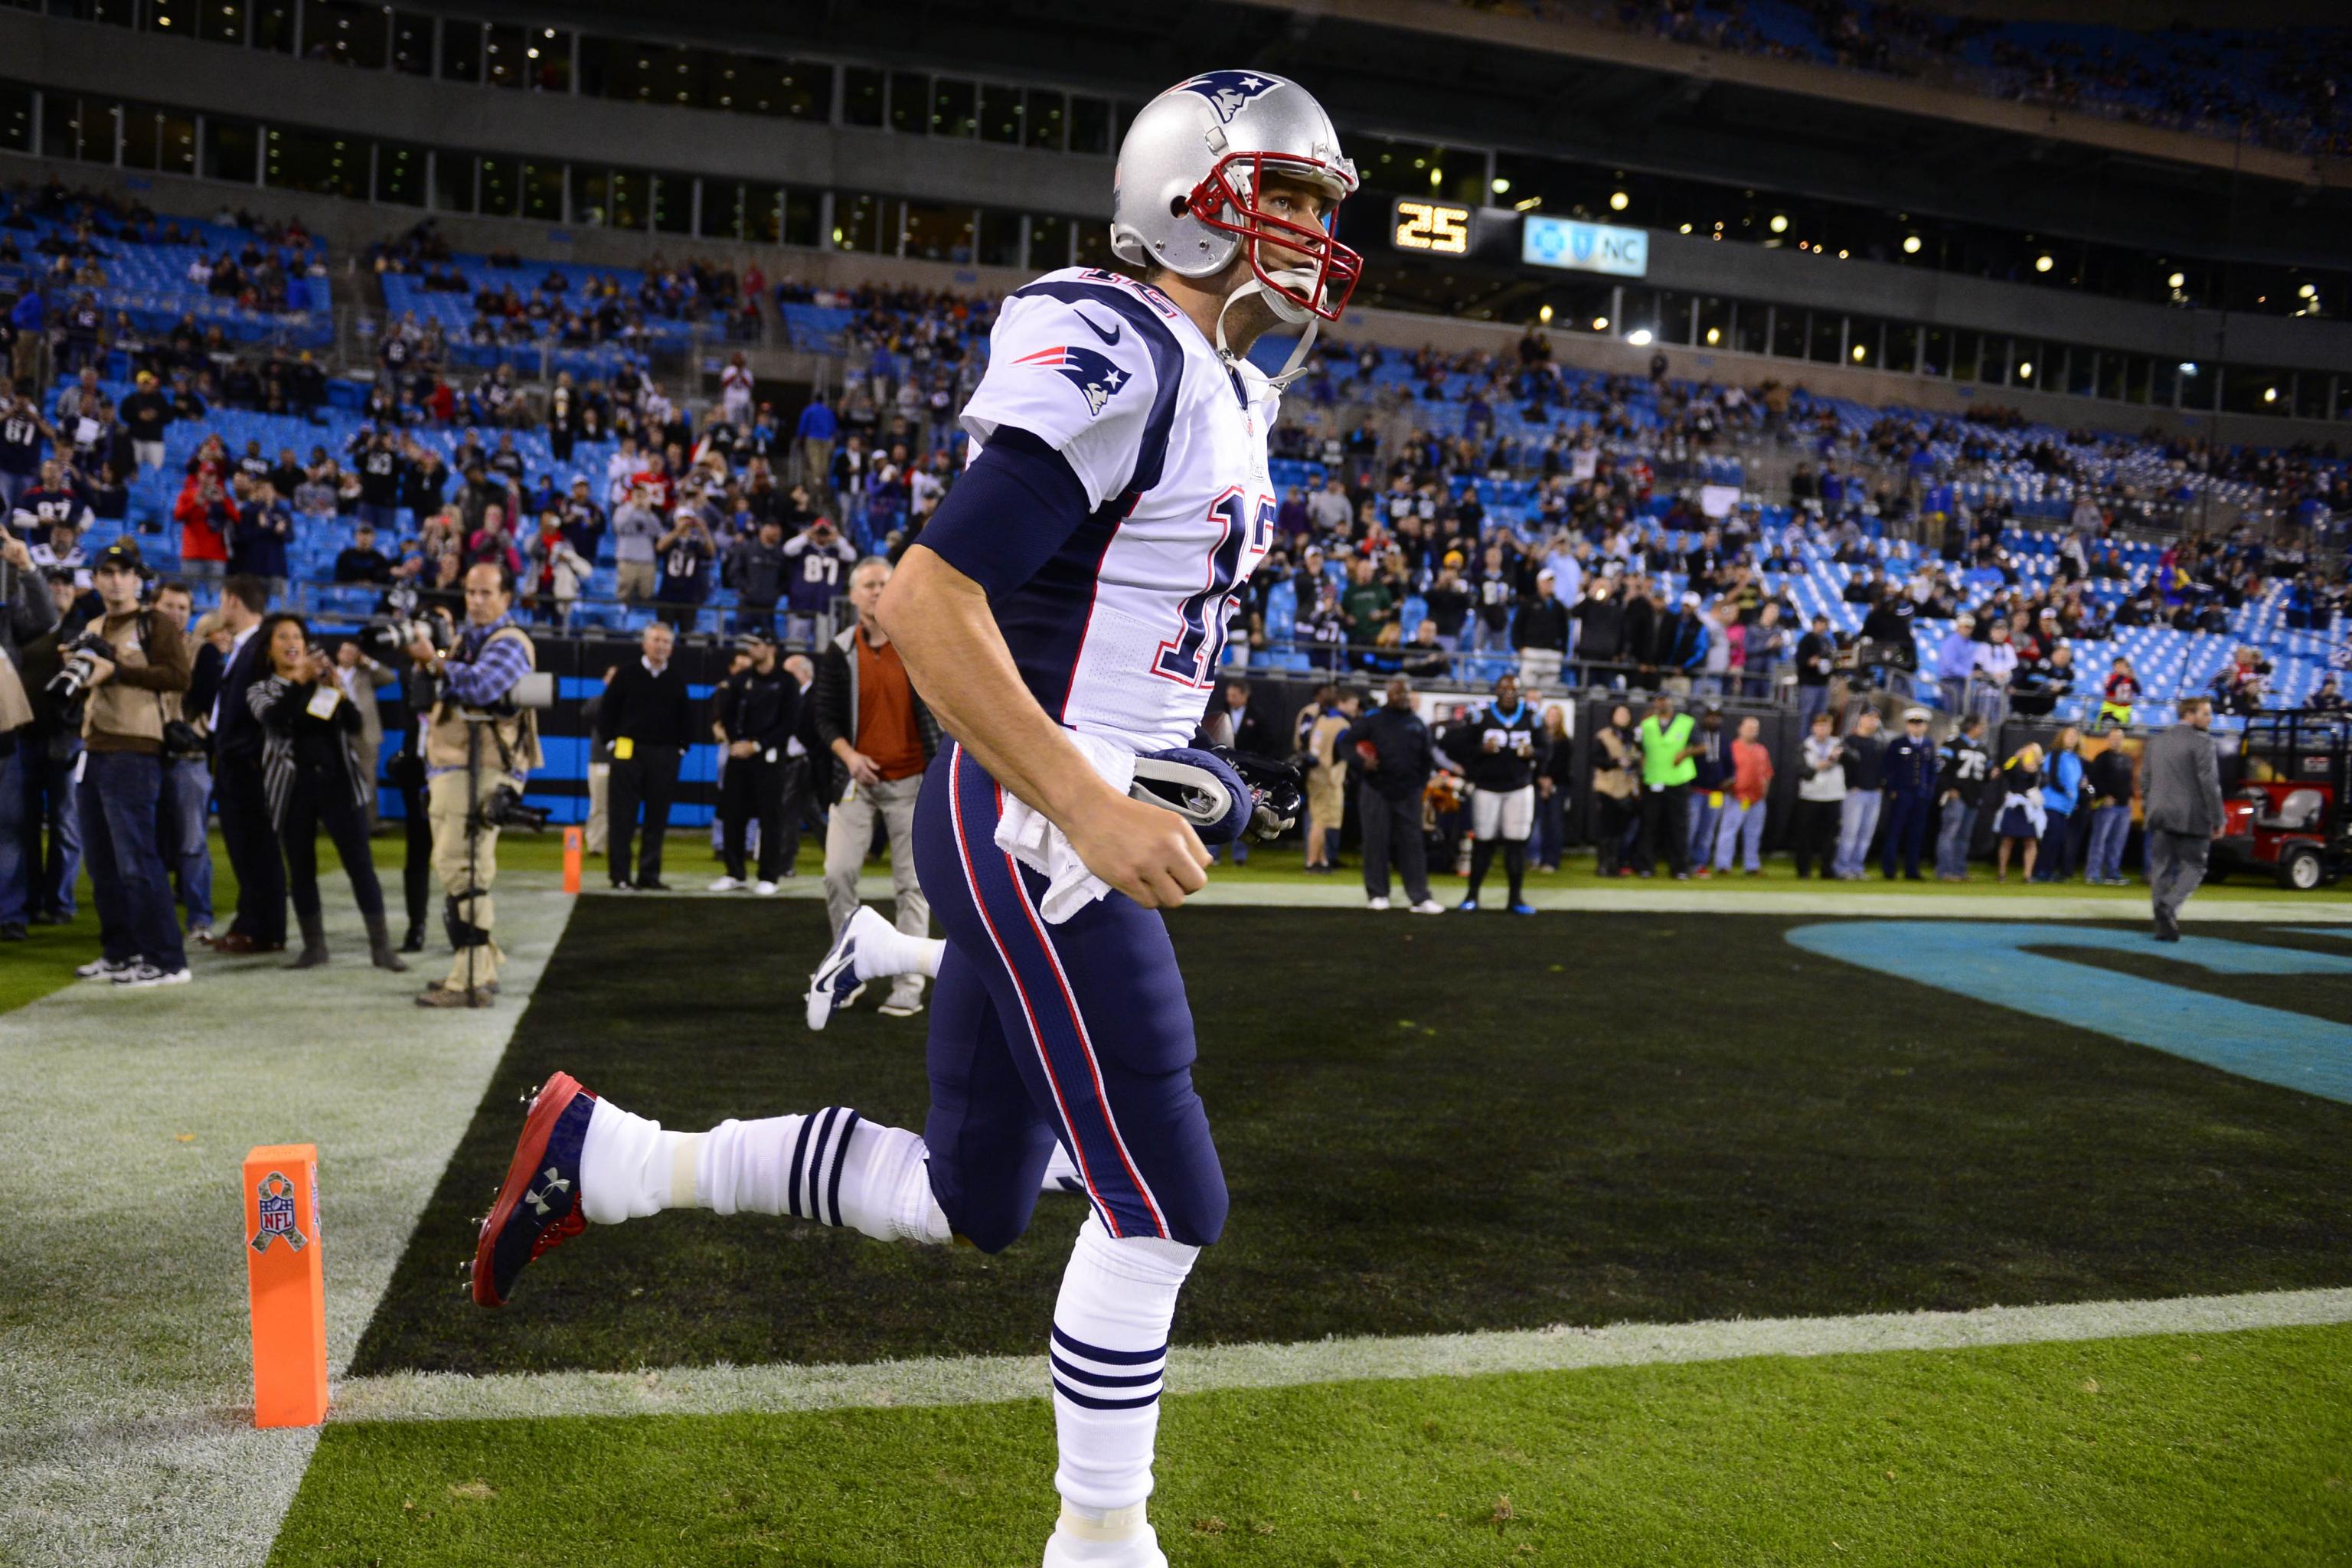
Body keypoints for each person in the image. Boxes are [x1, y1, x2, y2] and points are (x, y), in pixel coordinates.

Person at [469, 75, 1357, 1568]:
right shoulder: (1126, 344)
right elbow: (934, 602)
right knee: (1162, 1212)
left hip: (1031, 818)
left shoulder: (1224, 378)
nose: (1320, 233)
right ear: (1190, 200)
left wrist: (1158, 764)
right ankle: (1101, 1544)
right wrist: (1091, 794)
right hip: (1035, 830)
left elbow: (1099, 621)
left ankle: (610, 1157)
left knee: (974, 1202)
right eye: (1295, 198)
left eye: (1328, 205)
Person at [404, 560, 542, 1007]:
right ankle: (481, 963)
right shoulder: (467, 641)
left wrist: (437, 665)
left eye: (486, 593)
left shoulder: (508, 643)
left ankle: (468, 980)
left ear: (506, 599)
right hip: (456, 767)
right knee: (461, 869)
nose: (476, 601)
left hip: (477, 770)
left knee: (464, 870)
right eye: (470, 592)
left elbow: (482, 688)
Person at [814, 554, 938, 1017]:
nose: (876, 591)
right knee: (837, 873)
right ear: (852, 595)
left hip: (912, 783)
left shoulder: (919, 644)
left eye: (883, 582)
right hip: (855, 783)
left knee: (912, 886)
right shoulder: (840, 650)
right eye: (867, 584)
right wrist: (849, 755)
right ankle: (848, 971)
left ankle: (908, 985)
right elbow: (823, 718)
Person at [247, 612, 405, 971]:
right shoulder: (262, 689)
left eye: (297, 636)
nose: (292, 643)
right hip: (292, 788)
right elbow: (278, 721)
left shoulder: (323, 685)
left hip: (338, 785)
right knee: (301, 869)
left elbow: (354, 724)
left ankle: (382, 949)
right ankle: (314, 948)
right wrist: (298, 685)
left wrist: (338, 691)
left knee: (360, 866)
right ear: (270, 649)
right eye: (283, 637)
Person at [72, 541, 194, 988]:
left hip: (136, 750)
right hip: (95, 748)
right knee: (102, 862)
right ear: (97, 578)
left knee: (136, 858)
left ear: (138, 578)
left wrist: (118, 669)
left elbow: (179, 676)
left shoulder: (154, 622)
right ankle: (120, 951)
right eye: (107, 572)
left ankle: (167, 958)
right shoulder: (93, 623)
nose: (116, 580)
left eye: (124, 572)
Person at [208, 576, 286, 954]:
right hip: (235, 761)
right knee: (244, 847)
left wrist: (250, 754)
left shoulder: (258, 648)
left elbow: (265, 708)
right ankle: (249, 921)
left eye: (222, 600)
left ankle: (264, 929)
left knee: (255, 847)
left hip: (246, 766)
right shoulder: (246, 647)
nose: (220, 608)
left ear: (234, 601)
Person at [598, 620, 694, 892]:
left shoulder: (676, 679)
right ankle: (620, 876)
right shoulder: (626, 674)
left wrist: (680, 749)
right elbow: (607, 713)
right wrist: (611, 744)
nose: (661, 646)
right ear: (644, 644)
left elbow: (687, 719)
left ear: (672, 648)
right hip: (628, 752)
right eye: (656, 640)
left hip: (664, 755)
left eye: (666, 642)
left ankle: (649, 875)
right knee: (622, 817)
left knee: (657, 818)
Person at [709, 629, 802, 894]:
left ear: (771, 648)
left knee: (770, 818)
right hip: (739, 757)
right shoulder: (740, 680)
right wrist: (736, 742)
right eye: (750, 644)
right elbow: (725, 714)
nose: (752, 649)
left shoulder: (786, 682)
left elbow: (789, 722)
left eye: (757, 644)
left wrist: (758, 745)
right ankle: (734, 873)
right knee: (733, 815)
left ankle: (769, 876)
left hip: (770, 759)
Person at [1442, 672, 1544, 913]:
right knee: (1483, 843)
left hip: (1519, 788)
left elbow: (1546, 749)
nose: (1509, 695)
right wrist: (1481, 750)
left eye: (1513, 691)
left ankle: (1515, 899)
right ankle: (1472, 896)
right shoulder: (1481, 715)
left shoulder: (1531, 716)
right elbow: (1454, 745)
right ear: (1496, 692)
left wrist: (1533, 754)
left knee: (1516, 844)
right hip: (1487, 787)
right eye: (1504, 690)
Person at [0, 515, 57, 941]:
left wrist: (26, 568)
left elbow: (46, 621)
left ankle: (9, 914)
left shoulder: (6, 592)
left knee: (9, 824)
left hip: (4, 727)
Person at [1344, 675, 1443, 912]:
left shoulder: (1418, 723)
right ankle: (1377, 894)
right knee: (1376, 842)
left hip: (1408, 792)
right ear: (1389, 694)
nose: (1404, 697)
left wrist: (1419, 785)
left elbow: (1427, 758)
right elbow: (1346, 744)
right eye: (1399, 693)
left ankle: (1420, 897)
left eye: (1407, 693)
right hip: (1376, 790)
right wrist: (1360, 762)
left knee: (1413, 844)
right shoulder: (1372, 720)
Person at [151, 583, 214, 943]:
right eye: (169, 606)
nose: (176, 613)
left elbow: (204, 698)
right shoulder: (139, 649)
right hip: (145, 754)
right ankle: (155, 921)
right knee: (149, 843)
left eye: (183, 608)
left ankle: (199, 920)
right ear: (154, 606)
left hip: (189, 756)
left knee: (192, 843)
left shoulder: (201, 650)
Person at [2142, 697, 2223, 940]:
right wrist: (2218, 818)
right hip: (2192, 815)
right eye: (2206, 714)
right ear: (2189, 714)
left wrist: (2152, 807)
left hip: (2159, 813)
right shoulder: (2203, 743)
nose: (2210, 719)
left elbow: (2145, 782)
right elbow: (2210, 784)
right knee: (2195, 867)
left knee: (2161, 869)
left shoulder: (2156, 742)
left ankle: (2162, 925)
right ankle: (2170, 906)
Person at [1635, 691, 1697, 879]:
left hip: (1678, 780)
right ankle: (1646, 866)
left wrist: (1684, 753)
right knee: (1649, 826)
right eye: (1658, 700)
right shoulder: (1646, 725)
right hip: (1653, 780)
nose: (1662, 703)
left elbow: (1701, 745)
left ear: (1671, 702)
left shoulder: (1686, 722)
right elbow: (1640, 751)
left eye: (1665, 700)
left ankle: (1680, 868)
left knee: (1678, 826)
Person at [1302, 685, 1359, 874]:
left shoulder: (1322, 718)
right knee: (1322, 821)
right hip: (1329, 776)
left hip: (1316, 772)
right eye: (1352, 704)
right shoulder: (1341, 725)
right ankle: (1313, 861)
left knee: (1319, 818)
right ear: (1341, 703)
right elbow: (1345, 751)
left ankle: (1321, 860)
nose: (1354, 709)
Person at [1879, 707, 1939, 881]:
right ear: (1907, 725)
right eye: (1913, 723)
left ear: (1925, 726)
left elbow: (1932, 770)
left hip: (1921, 794)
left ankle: (1912, 869)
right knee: (1895, 831)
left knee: (1916, 833)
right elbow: (1889, 769)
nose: (1916, 727)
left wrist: (1928, 790)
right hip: (1902, 793)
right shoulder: (1898, 743)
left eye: (1919, 724)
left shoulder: (1928, 744)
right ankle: (1889, 869)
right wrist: (1892, 790)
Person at [1932, 714, 1991, 881]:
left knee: (1964, 836)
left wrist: (1991, 774)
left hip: (1973, 796)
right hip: (1957, 795)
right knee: (1949, 834)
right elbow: (1940, 769)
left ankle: (1959, 870)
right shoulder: (1952, 744)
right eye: (1981, 725)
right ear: (1971, 726)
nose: (1983, 729)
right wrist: (1949, 788)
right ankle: (1944, 870)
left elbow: (1984, 774)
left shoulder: (1982, 748)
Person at [1711, 715, 1772, 876]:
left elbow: (1767, 773)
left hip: (1757, 799)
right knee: (1728, 831)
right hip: (1737, 797)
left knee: (1754, 833)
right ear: (1740, 729)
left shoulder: (1761, 750)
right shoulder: (1732, 748)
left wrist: (1765, 789)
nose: (1753, 731)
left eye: (1755, 728)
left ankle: (1751, 865)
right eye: (1749, 727)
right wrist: (1729, 788)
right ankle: (1723, 865)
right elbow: (1724, 772)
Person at [1831, 707, 1885, 880]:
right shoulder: (1849, 740)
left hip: (1873, 793)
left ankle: (1857, 866)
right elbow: (1842, 765)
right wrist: (1850, 785)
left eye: (1876, 718)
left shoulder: (1878, 742)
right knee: (1850, 832)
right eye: (1869, 717)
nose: (1872, 721)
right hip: (1855, 793)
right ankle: (1842, 867)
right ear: (1860, 718)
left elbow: (1883, 768)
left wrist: (1880, 785)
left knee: (1866, 833)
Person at [1792, 710, 1845, 879]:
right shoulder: (1805, 746)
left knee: (1830, 836)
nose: (1822, 730)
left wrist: (1840, 755)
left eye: (1826, 726)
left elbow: (1855, 760)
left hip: (1833, 796)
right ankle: (1804, 870)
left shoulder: (1839, 745)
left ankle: (1827, 869)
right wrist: (1818, 767)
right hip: (1810, 796)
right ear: (1813, 728)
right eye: (1819, 726)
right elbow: (1801, 771)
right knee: (1805, 835)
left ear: (1831, 728)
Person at [2082, 727, 2136, 887]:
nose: (2116, 741)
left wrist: (2131, 797)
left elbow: (2128, 780)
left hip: (2124, 806)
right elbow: (2094, 781)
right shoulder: (2101, 758)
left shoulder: (2127, 759)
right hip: (2106, 807)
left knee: (2118, 842)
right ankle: (2093, 873)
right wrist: (2103, 796)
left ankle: (2112, 872)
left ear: (2123, 739)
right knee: (2099, 840)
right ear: (2108, 740)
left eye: (2119, 737)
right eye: (2113, 738)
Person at [1590, 701, 1639, 876]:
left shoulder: (1632, 737)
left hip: (1626, 788)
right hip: (1607, 788)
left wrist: (1632, 762)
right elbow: (1596, 760)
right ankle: (1603, 865)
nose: (1623, 718)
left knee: (1621, 830)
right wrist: (1616, 762)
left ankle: (1616, 864)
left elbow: (1639, 758)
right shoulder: (1604, 736)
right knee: (1606, 829)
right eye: (1620, 714)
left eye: (1626, 715)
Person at [2033, 724, 2084, 883]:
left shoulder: (2075, 758)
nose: (2072, 738)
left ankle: (2048, 871)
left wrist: (2079, 786)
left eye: (2075, 736)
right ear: (2062, 737)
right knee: (2051, 837)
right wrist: (2065, 790)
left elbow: (2075, 781)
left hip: (2065, 806)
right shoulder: (2055, 754)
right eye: (2069, 735)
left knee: (2059, 838)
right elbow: (2052, 777)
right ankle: (2040, 871)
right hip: (2052, 803)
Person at [1684, 703, 1730, 877]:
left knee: (1708, 831)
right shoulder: (1696, 737)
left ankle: (1700, 863)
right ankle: (1684, 862)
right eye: (1710, 716)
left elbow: (1729, 764)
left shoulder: (1724, 739)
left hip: (1716, 793)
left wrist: (1729, 779)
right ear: (1704, 718)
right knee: (1691, 828)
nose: (1714, 719)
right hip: (1696, 790)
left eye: (1717, 716)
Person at [1991, 741, 2047, 884]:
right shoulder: (2015, 765)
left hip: (2029, 807)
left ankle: (2027, 874)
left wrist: (2034, 770)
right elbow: (2006, 770)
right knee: (2007, 839)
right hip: (2014, 805)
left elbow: (2042, 782)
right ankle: (2002, 873)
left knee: (2030, 841)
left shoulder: (2040, 769)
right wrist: (2016, 758)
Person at [1534, 703, 1573, 872]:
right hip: (1537, 785)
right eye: (1550, 714)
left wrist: (1550, 782)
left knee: (1555, 823)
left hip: (1559, 786)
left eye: (1556, 715)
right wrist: (1540, 781)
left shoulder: (1565, 741)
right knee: (1538, 823)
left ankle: (1552, 860)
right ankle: (1536, 857)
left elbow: (1563, 766)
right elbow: (1533, 762)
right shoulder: (1537, 738)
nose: (1552, 718)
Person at [1793, 612, 1834, 733]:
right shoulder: (1806, 640)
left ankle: (1817, 739)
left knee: (1820, 716)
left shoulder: (1827, 642)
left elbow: (1831, 659)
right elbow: (1800, 660)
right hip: (1809, 683)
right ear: (1814, 624)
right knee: (1806, 714)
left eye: (1825, 624)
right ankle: (1803, 742)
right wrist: (1810, 662)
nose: (1823, 627)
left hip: (1823, 683)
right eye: (1820, 623)